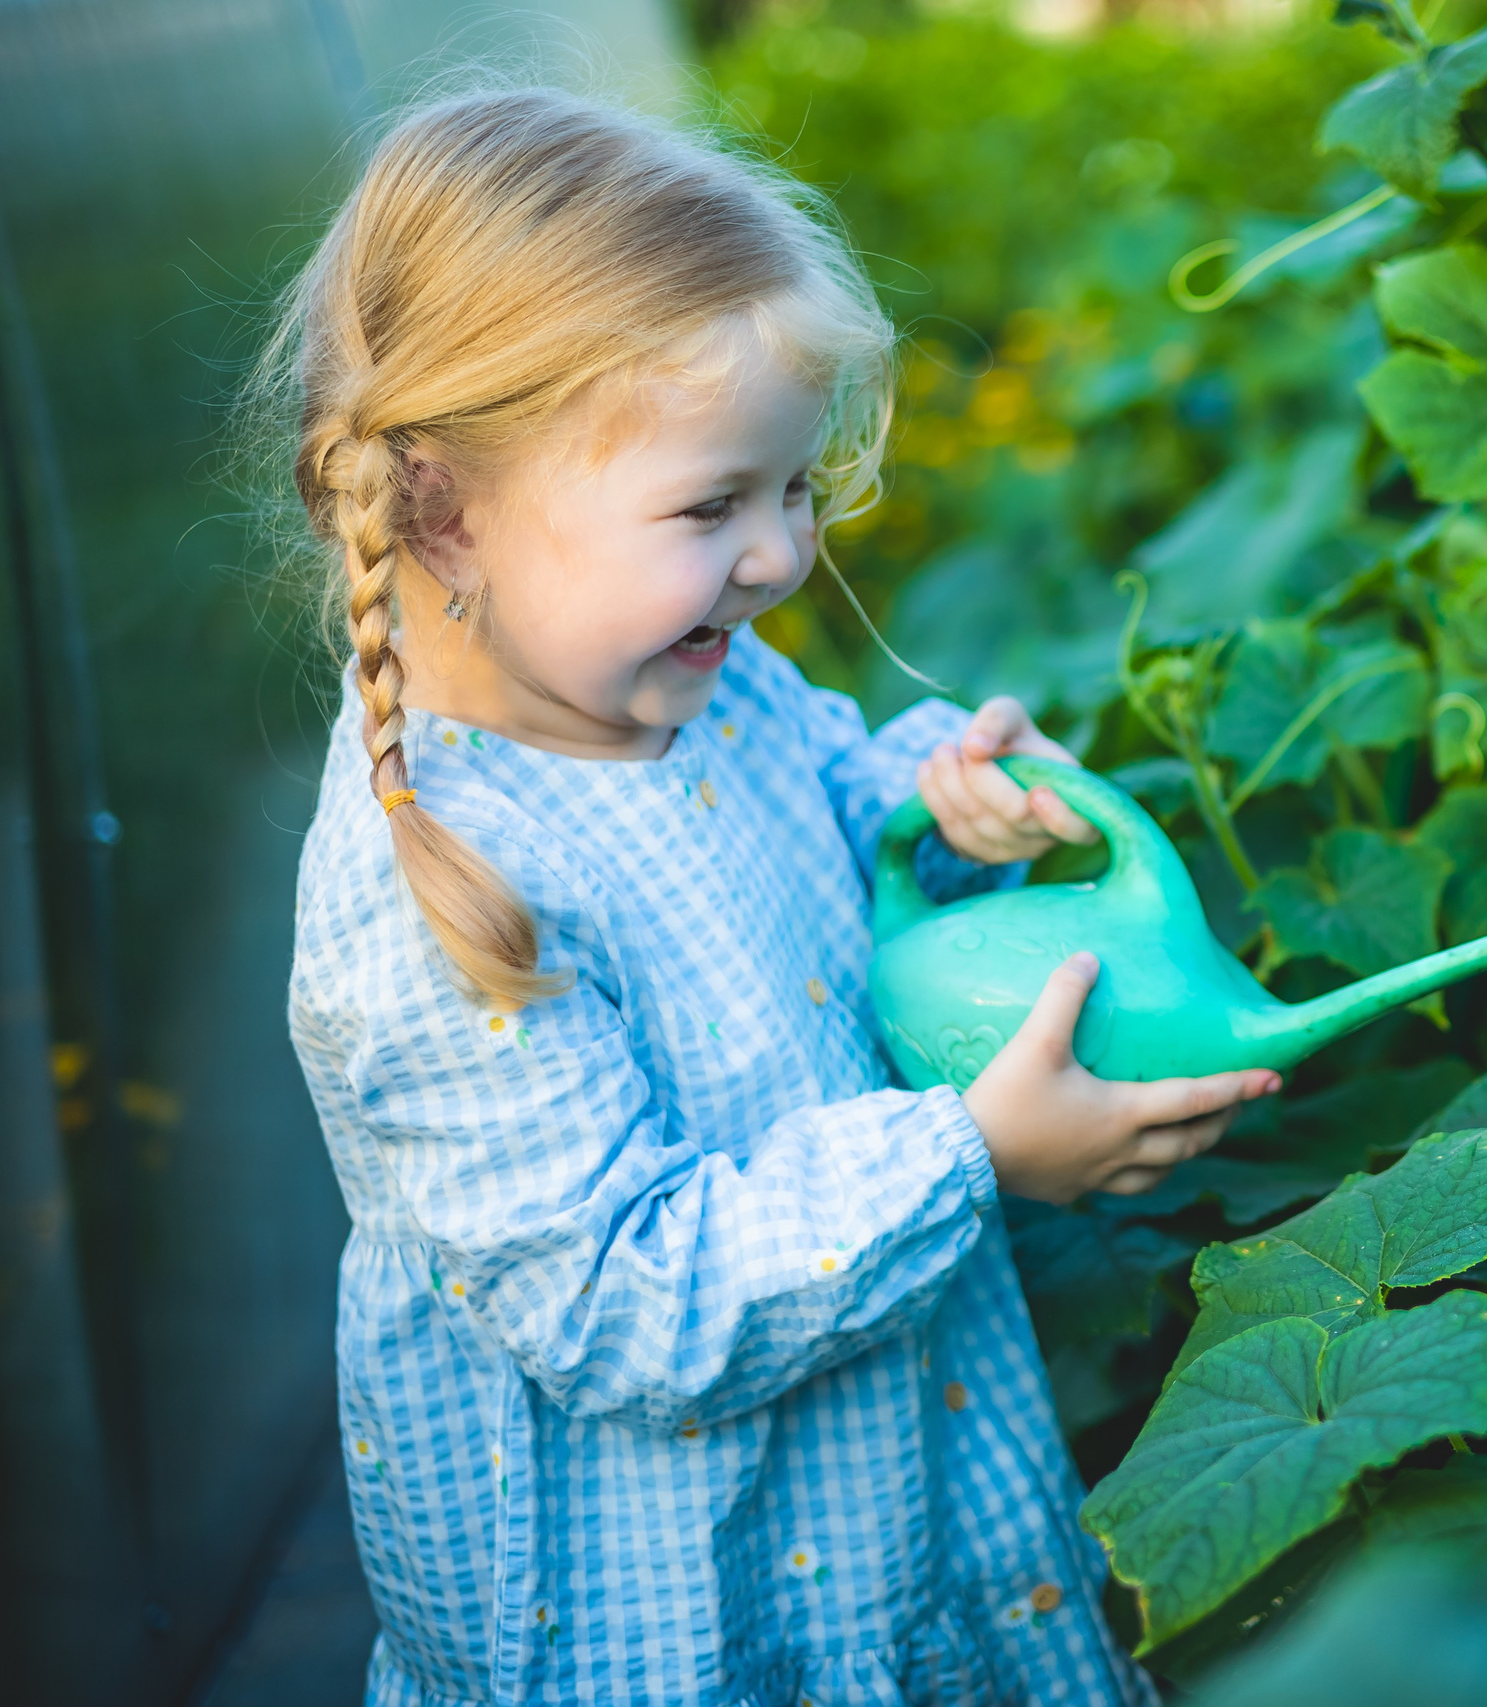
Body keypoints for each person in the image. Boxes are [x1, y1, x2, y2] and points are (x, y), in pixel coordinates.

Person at [269, 86, 1277, 1707]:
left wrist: (942, 806)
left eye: (794, 491)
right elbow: (623, 1305)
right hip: (674, 1608)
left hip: (894, 1489)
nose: (780, 556)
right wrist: (971, 1154)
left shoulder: (678, 672)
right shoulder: (432, 897)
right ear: (445, 509)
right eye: (712, 507)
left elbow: (823, 793)